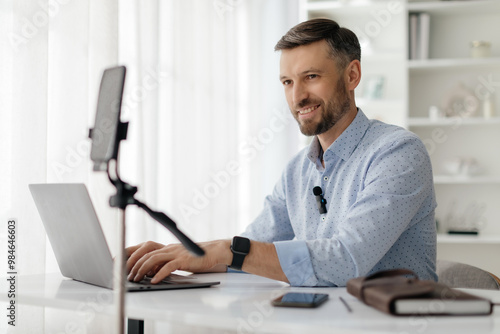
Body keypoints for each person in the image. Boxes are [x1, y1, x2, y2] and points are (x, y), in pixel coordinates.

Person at [126, 18, 437, 287]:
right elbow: (250, 251)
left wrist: (229, 250)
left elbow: (346, 260)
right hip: (321, 323)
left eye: (311, 77)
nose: (298, 96)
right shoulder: (298, 169)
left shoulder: (398, 152)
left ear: (352, 75)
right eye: (288, 82)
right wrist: (183, 252)